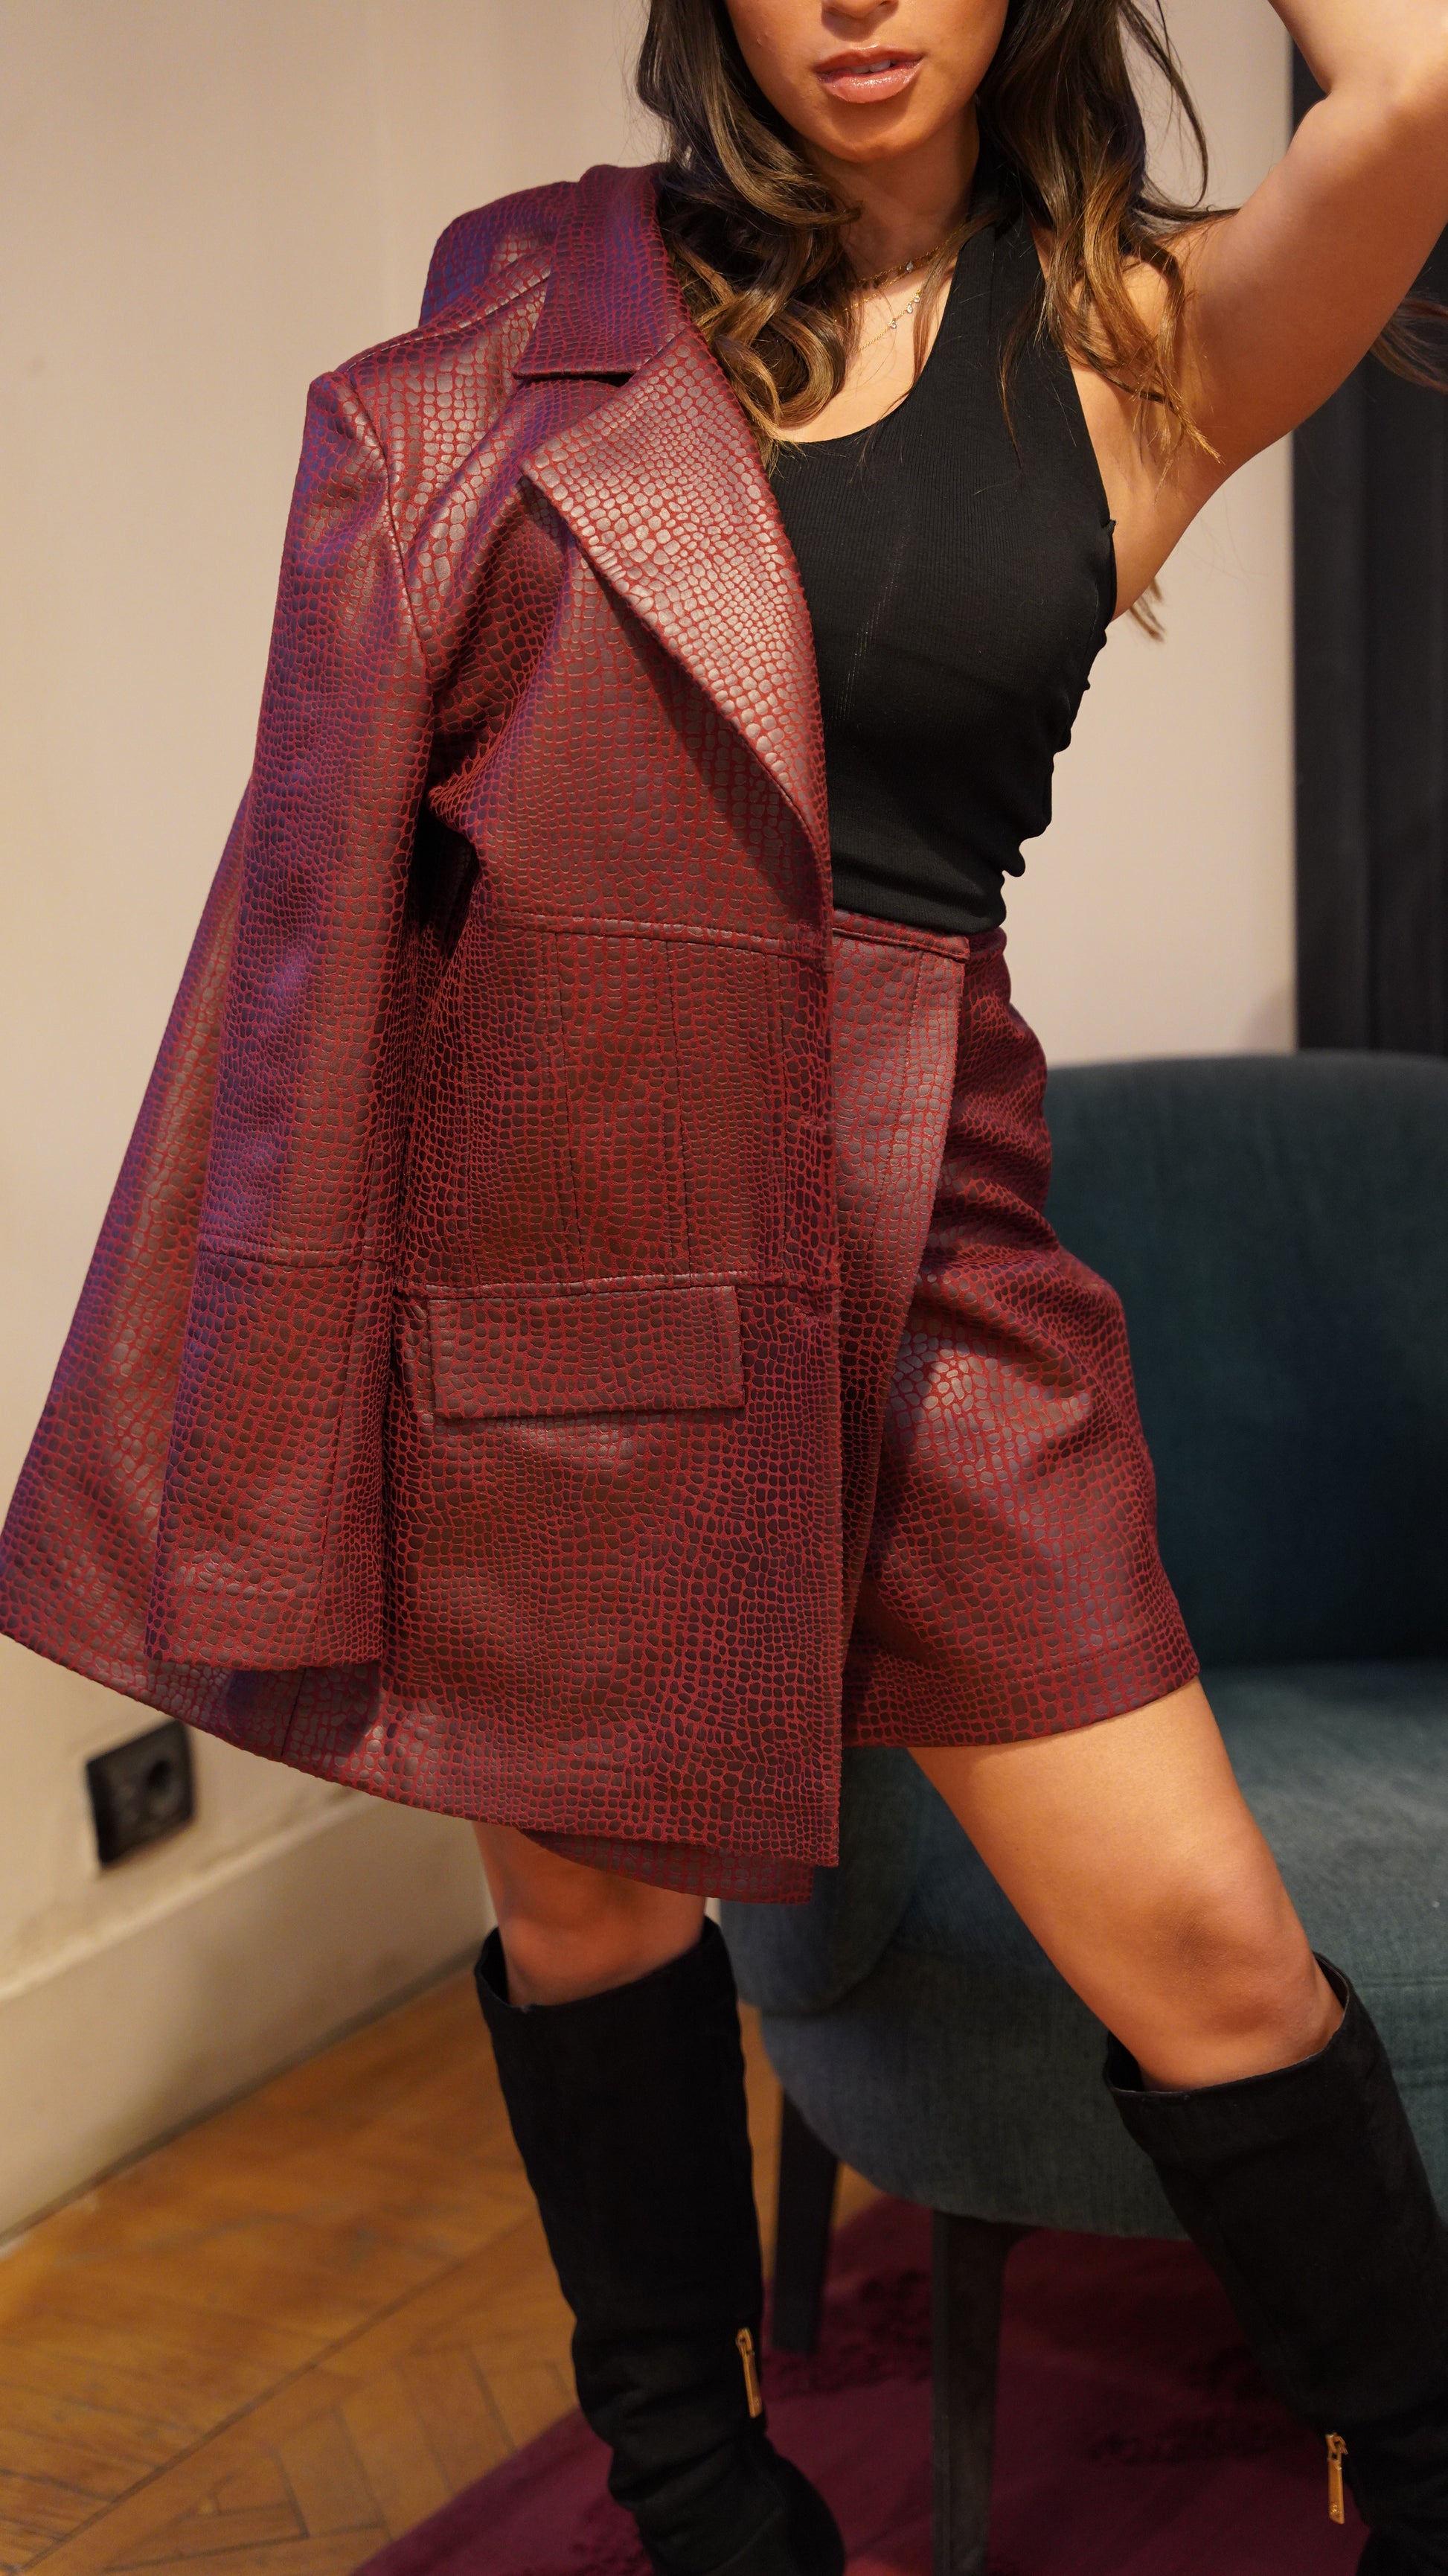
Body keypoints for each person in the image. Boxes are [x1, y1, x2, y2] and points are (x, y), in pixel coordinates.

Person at [3, 0, 1448, 2567]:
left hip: (928, 1224)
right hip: (570, 1190)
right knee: (585, 1904)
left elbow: (1415, 93)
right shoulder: (553, 318)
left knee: (1207, 1948)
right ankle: (697, 2490)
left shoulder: (1148, 341)